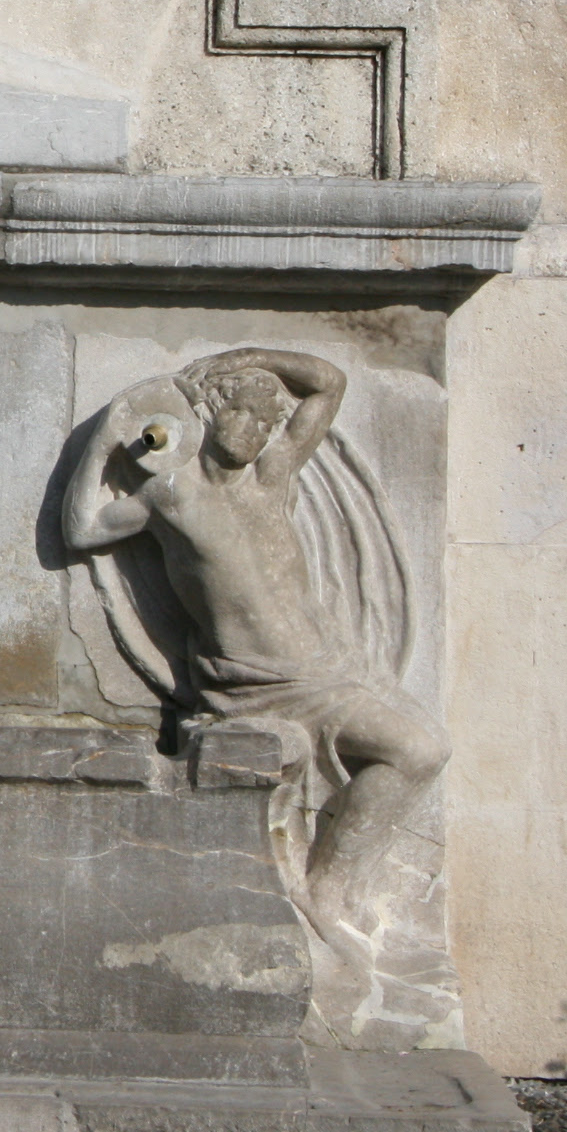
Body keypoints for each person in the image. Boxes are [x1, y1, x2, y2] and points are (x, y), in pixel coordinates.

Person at [65, 348, 448, 948]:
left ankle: (329, 885)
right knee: (403, 749)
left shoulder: (274, 477)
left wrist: (243, 357)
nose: (257, 432)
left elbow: (329, 384)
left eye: (267, 424)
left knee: (423, 751)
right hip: (257, 687)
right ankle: (317, 887)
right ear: (214, 413)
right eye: (246, 415)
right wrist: (106, 441)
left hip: (326, 674)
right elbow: (83, 530)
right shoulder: (172, 496)